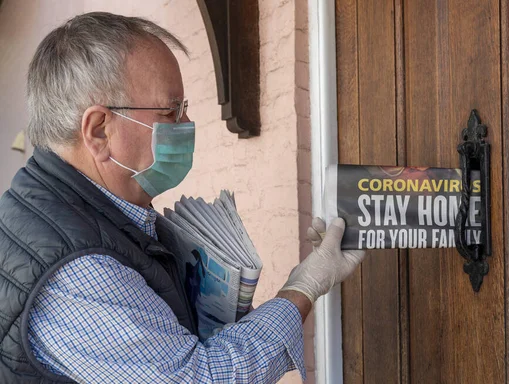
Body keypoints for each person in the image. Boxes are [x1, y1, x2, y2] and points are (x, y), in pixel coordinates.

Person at [0, 12, 365, 384]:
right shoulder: (75, 269)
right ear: (98, 130)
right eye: (171, 110)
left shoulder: (67, 212)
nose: (188, 123)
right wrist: (302, 289)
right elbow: (203, 377)